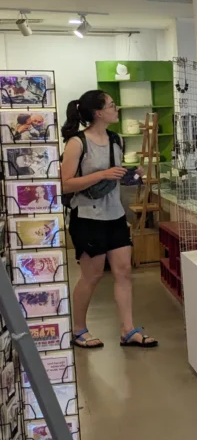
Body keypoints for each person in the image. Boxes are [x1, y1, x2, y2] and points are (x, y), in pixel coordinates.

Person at [60, 90, 157, 349]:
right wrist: (102, 174)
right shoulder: (77, 143)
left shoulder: (116, 139)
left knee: (124, 272)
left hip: (115, 215)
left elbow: (114, 175)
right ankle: (78, 329)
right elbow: (65, 184)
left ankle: (128, 330)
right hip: (88, 217)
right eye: (112, 105)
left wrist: (128, 174)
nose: (117, 109)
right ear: (98, 113)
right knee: (91, 276)